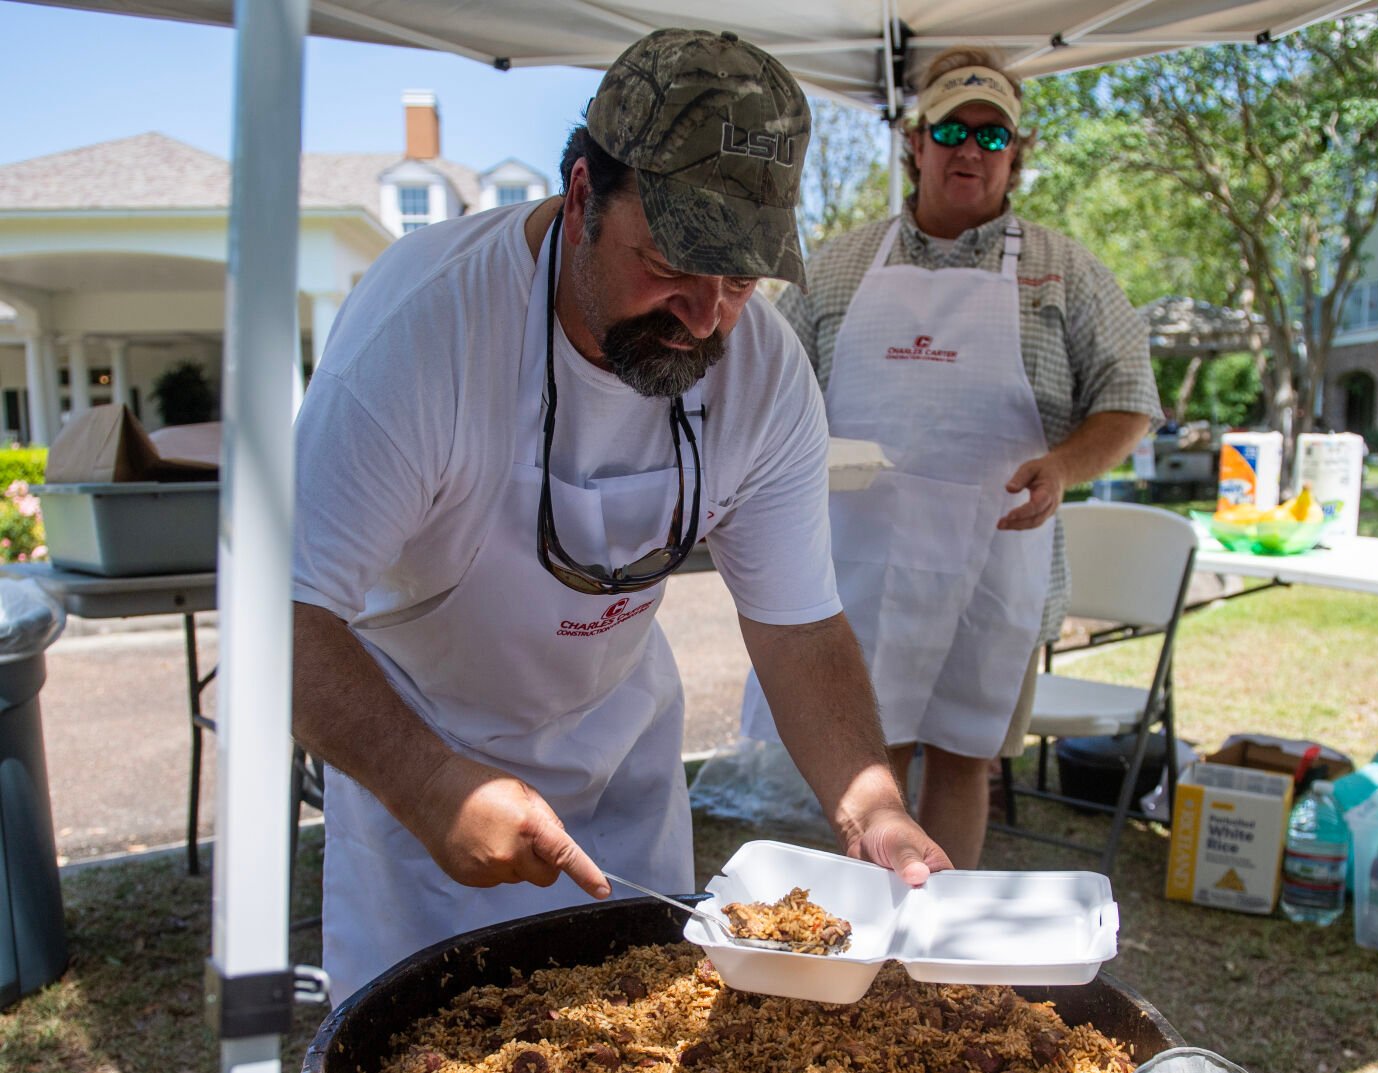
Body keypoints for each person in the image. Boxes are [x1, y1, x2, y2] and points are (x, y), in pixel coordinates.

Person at [291, 29, 949, 1005]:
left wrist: (873, 805)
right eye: (673, 261)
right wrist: (429, 783)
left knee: (634, 1042)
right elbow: (281, 617)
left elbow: (799, 626)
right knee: (433, 1055)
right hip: (422, 750)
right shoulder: (423, 335)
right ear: (580, 197)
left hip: (619, 754)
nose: (704, 316)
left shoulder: (763, 373)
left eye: (740, 278)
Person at [742, 47, 1159, 870]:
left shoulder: (1064, 271)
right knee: (869, 760)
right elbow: (766, 389)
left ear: (1017, 153)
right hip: (857, 560)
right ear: (916, 143)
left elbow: (1129, 399)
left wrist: (1064, 466)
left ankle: (937, 926)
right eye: (950, 130)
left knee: (966, 758)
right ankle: (869, 925)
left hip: (998, 559)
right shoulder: (838, 265)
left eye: (992, 134)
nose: (971, 149)